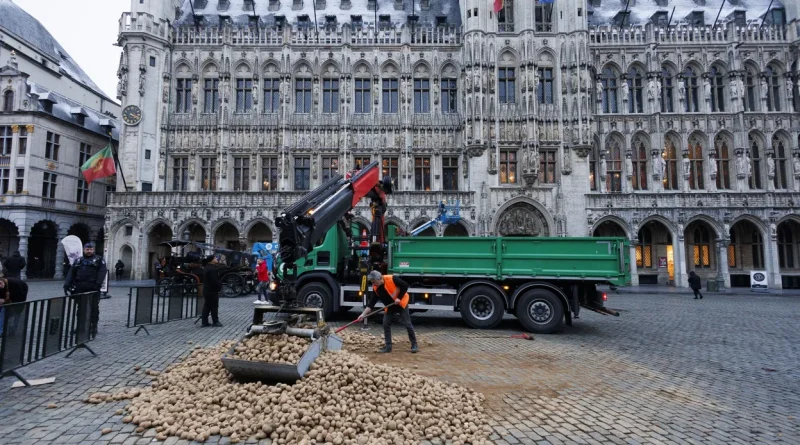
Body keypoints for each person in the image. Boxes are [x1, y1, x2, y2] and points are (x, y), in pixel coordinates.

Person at [359, 270, 419, 353]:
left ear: (380, 279)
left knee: (407, 323)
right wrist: (363, 315)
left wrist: (399, 298)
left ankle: (414, 344)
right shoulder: (376, 288)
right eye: (372, 282)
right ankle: (388, 346)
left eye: (374, 282)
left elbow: (405, 285)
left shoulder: (391, 279)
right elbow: (371, 303)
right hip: (390, 306)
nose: (373, 284)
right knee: (386, 323)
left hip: (401, 303)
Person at [64, 242, 107, 336]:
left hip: (92, 286)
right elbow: (71, 272)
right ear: (84, 250)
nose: (89, 251)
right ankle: (80, 325)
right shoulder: (78, 260)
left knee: (93, 308)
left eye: (91, 249)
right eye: (87, 249)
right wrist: (67, 284)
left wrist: (97, 284)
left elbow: (102, 272)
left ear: (93, 250)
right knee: (80, 308)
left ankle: (93, 326)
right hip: (80, 287)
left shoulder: (99, 260)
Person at [201, 255, 223, 327]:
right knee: (214, 306)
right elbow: (214, 281)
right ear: (212, 260)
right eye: (215, 258)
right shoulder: (212, 269)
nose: (216, 259)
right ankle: (215, 321)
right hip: (212, 290)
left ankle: (204, 322)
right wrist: (219, 286)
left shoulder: (207, 267)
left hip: (207, 290)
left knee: (207, 306)